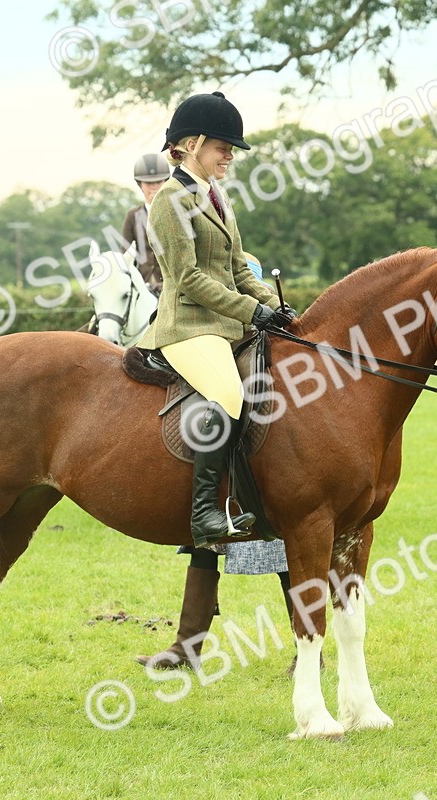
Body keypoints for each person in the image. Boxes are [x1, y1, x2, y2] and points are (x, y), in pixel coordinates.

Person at [138, 90, 294, 550]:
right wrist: (252, 312)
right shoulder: (169, 201)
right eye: (222, 147)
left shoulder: (215, 195)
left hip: (226, 323)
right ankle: (205, 512)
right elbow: (185, 277)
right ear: (192, 143)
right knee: (228, 392)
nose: (229, 155)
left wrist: (274, 305)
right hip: (187, 326)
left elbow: (239, 268)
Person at [136, 250, 295, 672]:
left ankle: (306, 647)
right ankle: (187, 646)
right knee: (203, 544)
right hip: (211, 356)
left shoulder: (242, 263)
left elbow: (245, 295)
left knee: (283, 545)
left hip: (251, 367)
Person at [121, 152, 171, 292]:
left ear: (166, 182)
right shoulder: (132, 216)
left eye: (158, 182)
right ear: (140, 185)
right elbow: (125, 254)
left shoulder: (178, 213)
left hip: (173, 286)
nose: (154, 187)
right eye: (148, 183)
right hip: (143, 287)